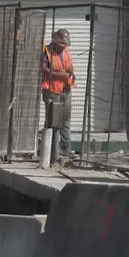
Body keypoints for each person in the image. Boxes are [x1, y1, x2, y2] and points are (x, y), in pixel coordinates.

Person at [41, 29, 76, 163]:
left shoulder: (66, 50)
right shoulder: (47, 51)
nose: (63, 47)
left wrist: (71, 71)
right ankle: (50, 154)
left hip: (65, 89)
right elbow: (43, 69)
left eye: (65, 45)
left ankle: (66, 151)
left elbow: (69, 64)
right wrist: (58, 75)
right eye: (61, 45)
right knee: (52, 121)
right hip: (51, 89)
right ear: (55, 41)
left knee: (65, 120)